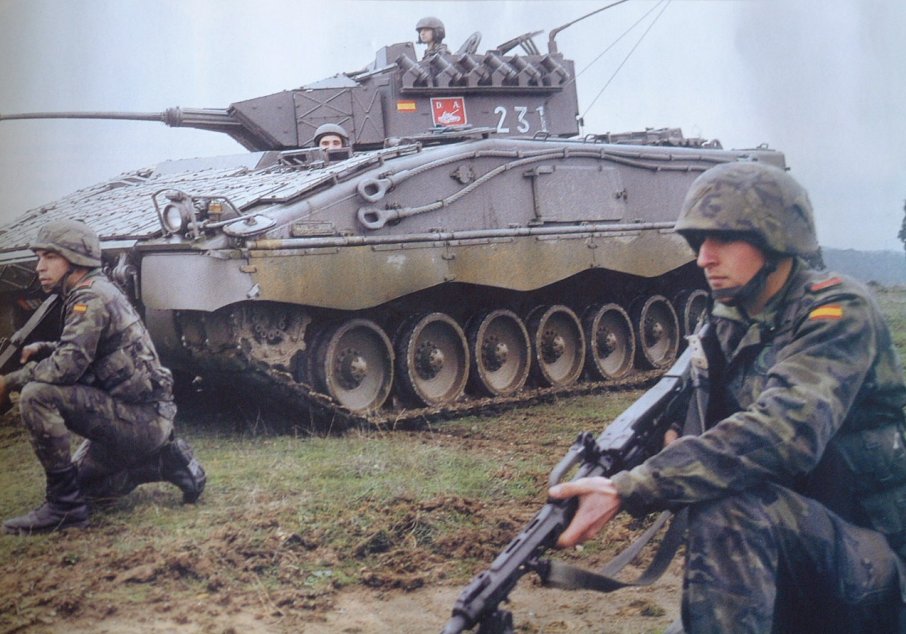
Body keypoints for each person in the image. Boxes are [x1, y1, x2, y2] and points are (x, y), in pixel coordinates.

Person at [549, 161, 906, 632]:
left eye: (722, 239)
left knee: (729, 510)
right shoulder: (728, 321)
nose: (704, 258)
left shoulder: (837, 311)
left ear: (775, 239)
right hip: (790, 551)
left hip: (873, 569)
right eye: (699, 241)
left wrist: (633, 487)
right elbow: (701, 422)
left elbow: (783, 434)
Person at [0, 219, 206, 535]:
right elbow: (91, 352)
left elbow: (66, 368)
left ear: (77, 259)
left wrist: (9, 382)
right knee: (88, 487)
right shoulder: (95, 290)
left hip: (139, 422)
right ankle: (164, 462)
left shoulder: (89, 298)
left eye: (50, 257)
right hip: (146, 420)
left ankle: (64, 509)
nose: (40, 266)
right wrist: (46, 348)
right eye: (39, 257)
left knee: (36, 395)